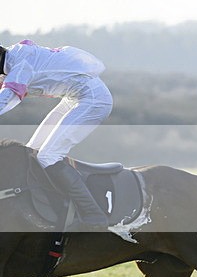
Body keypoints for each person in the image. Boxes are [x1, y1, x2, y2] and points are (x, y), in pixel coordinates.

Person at [0, 40, 113, 230]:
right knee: (32, 152)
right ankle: (51, 205)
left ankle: (93, 214)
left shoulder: (20, 66)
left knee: (47, 156)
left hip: (93, 100)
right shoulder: (13, 57)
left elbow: (8, 97)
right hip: (73, 97)